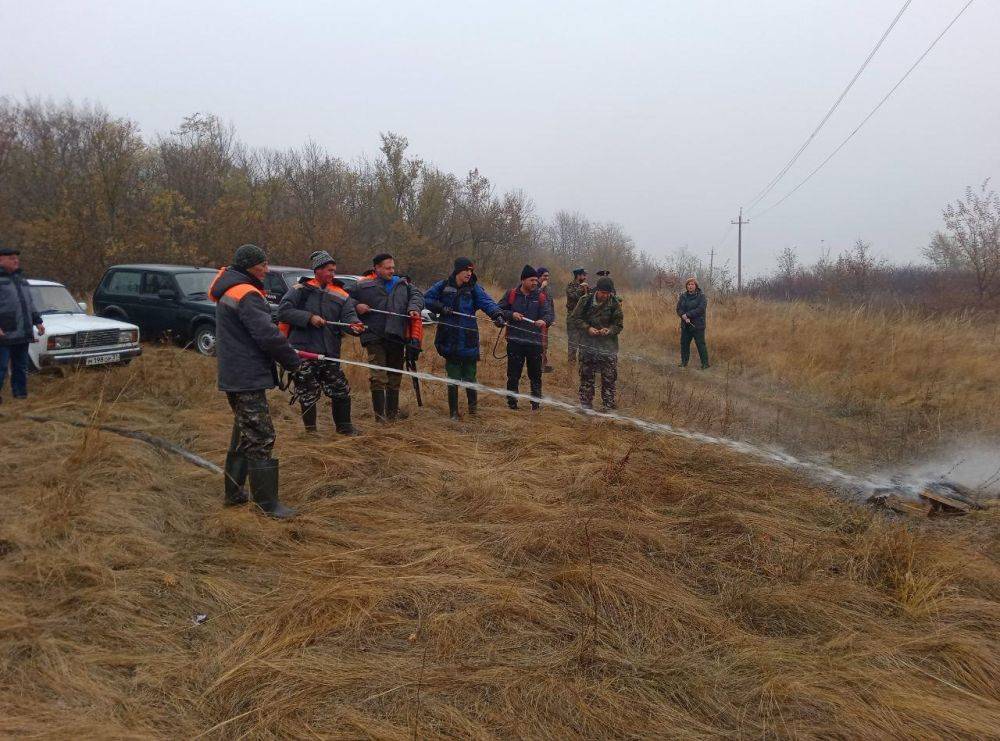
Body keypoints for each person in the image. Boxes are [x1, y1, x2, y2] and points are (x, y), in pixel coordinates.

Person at [209, 243, 304, 519]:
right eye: (262, 264)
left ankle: (235, 495)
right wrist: (293, 362)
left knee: (243, 435)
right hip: (246, 377)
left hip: (236, 374)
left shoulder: (231, 288)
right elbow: (268, 336)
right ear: (249, 266)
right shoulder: (247, 293)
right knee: (261, 436)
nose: (266, 269)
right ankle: (267, 505)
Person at [277, 250, 364, 435]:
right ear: (317, 270)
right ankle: (311, 432)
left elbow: (349, 317)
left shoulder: (341, 294)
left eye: (334, 270)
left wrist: (354, 326)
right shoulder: (299, 290)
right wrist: (309, 318)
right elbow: (283, 312)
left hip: (330, 352)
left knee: (340, 390)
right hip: (304, 352)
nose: (332, 274)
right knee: (307, 394)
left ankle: (344, 427)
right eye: (329, 270)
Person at [424, 257, 505, 419]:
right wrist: (441, 307)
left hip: (469, 338)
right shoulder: (443, 286)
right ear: (457, 271)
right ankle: (454, 413)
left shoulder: (474, 288)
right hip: (449, 338)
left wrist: (497, 315)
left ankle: (473, 412)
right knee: (453, 377)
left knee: (470, 376)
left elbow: (487, 302)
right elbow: (426, 299)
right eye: (466, 270)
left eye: (471, 271)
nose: (469, 273)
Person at [350, 253, 424, 422]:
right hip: (374, 337)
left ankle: (391, 416)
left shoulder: (403, 284)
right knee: (378, 377)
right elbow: (346, 299)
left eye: (393, 267)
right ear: (376, 268)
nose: (392, 271)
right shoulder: (362, 285)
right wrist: (357, 306)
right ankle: (380, 419)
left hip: (397, 337)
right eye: (387, 268)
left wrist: (414, 308)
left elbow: (418, 296)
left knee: (394, 377)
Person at [499, 265, 554, 411]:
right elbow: (498, 310)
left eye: (536, 280)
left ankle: (535, 404)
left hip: (534, 343)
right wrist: (511, 315)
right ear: (523, 280)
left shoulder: (541, 297)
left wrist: (544, 321)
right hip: (515, 341)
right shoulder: (511, 294)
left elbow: (549, 314)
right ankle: (512, 403)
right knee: (513, 374)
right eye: (532, 280)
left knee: (535, 375)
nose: (535, 283)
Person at [570, 276, 623, 410]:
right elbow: (575, 319)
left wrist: (609, 330)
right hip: (588, 345)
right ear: (597, 291)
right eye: (603, 293)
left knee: (609, 378)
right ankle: (586, 406)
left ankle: (608, 407)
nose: (605, 295)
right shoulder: (585, 300)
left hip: (608, 347)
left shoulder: (614, 303)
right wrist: (588, 328)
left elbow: (618, 325)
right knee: (587, 377)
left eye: (608, 293)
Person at [0, 247, 45, 403]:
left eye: (17, 258)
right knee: (1, 368)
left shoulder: (22, 280)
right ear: (1, 260)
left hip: (23, 333)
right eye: (11, 258)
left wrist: (38, 322)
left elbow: (29, 304)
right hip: (4, 333)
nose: (16, 260)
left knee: (21, 366)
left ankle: (20, 395)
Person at [676, 276, 709, 369]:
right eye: (688, 284)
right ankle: (684, 362)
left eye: (692, 284)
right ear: (686, 286)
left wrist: (688, 315)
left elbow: (701, 309)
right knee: (684, 344)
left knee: (700, 344)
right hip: (685, 325)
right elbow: (678, 308)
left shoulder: (701, 296)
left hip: (697, 325)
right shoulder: (683, 296)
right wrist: (682, 315)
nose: (690, 286)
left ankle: (705, 364)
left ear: (696, 285)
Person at [565, 268, 589, 367]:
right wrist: (580, 288)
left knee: (584, 343)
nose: (585, 277)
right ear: (578, 276)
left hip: (583, 318)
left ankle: (583, 365)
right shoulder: (570, 286)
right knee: (573, 343)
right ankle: (571, 366)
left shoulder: (586, 286)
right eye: (583, 275)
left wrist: (587, 290)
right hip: (572, 317)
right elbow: (572, 296)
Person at [535, 267, 555, 372]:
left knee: (545, 343)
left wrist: (552, 318)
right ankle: (538, 365)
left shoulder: (548, 288)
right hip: (536, 320)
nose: (547, 278)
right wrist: (541, 287)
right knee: (538, 343)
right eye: (544, 276)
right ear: (539, 276)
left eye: (548, 276)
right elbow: (533, 297)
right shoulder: (534, 286)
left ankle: (543, 364)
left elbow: (551, 304)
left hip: (546, 320)